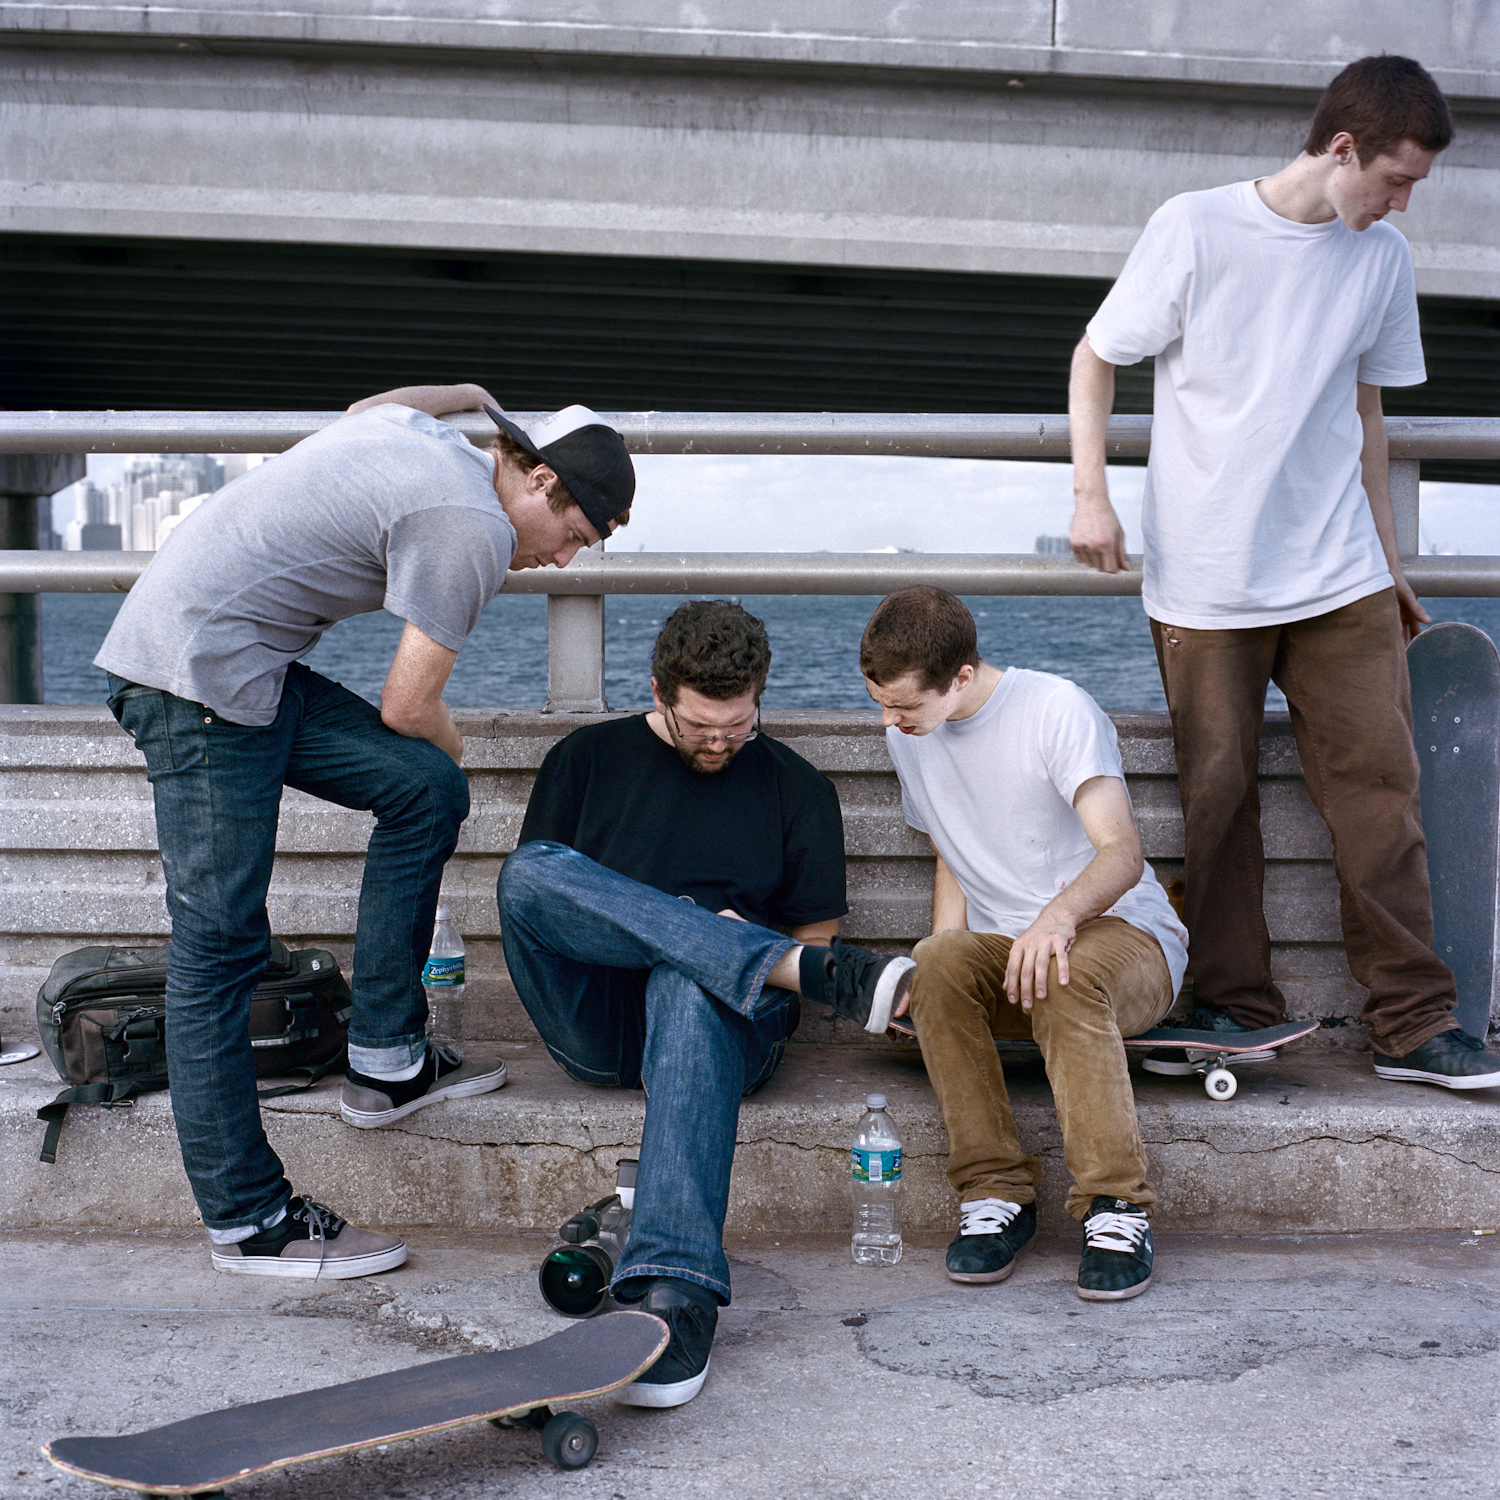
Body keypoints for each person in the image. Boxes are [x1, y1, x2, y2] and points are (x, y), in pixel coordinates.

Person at [97, 384, 637, 1276]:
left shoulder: (423, 434)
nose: (566, 563)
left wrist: (469, 392)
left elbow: (361, 405)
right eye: (574, 537)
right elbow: (408, 702)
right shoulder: (474, 529)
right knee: (221, 949)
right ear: (538, 481)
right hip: (189, 678)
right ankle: (248, 1217)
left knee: (422, 791)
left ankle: (388, 1059)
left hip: (250, 666)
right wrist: (459, 750)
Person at [1068, 55, 1500, 1091]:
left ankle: (1413, 1020)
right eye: (1395, 179)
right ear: (1341, 147)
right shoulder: (1197, 227)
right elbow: (1097, 354)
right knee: (1217, 803)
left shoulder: (1380, 257)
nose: (1403, 204)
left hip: (1339, 575)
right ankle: (1231, 1003)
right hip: (1206, 578)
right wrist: (1090, 494)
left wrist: (1390, 566)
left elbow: (1366, 415)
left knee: (1379, 801)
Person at [497, 600, 915, 1405]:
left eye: (737, 725)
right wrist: (700, 930)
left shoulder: (797, 787)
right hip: (597, 1020)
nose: (719, 742)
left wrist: (704, 958)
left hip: (722, 1037)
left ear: (760, 696)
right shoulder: (585, 760)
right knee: (527, 873)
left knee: (689, 982)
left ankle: (676, 1295)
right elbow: (549, 903)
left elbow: (816, 935)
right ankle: (746, 955)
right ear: (658, 692)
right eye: (697, 727)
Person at [862, 587, 1189, 1301]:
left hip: (1125, 942)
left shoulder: (1055, 709)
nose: (890, 721)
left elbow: (1122, 853)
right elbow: (953, 847)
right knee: (939, 960)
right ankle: (996, 1197)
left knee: (1062, 967)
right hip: (1015, 960)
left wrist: (1055, 919)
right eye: (881, 703)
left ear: (963, 678)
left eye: (906, 706)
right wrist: (939, 975)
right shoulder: (908, 734)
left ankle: (1117, 1207)